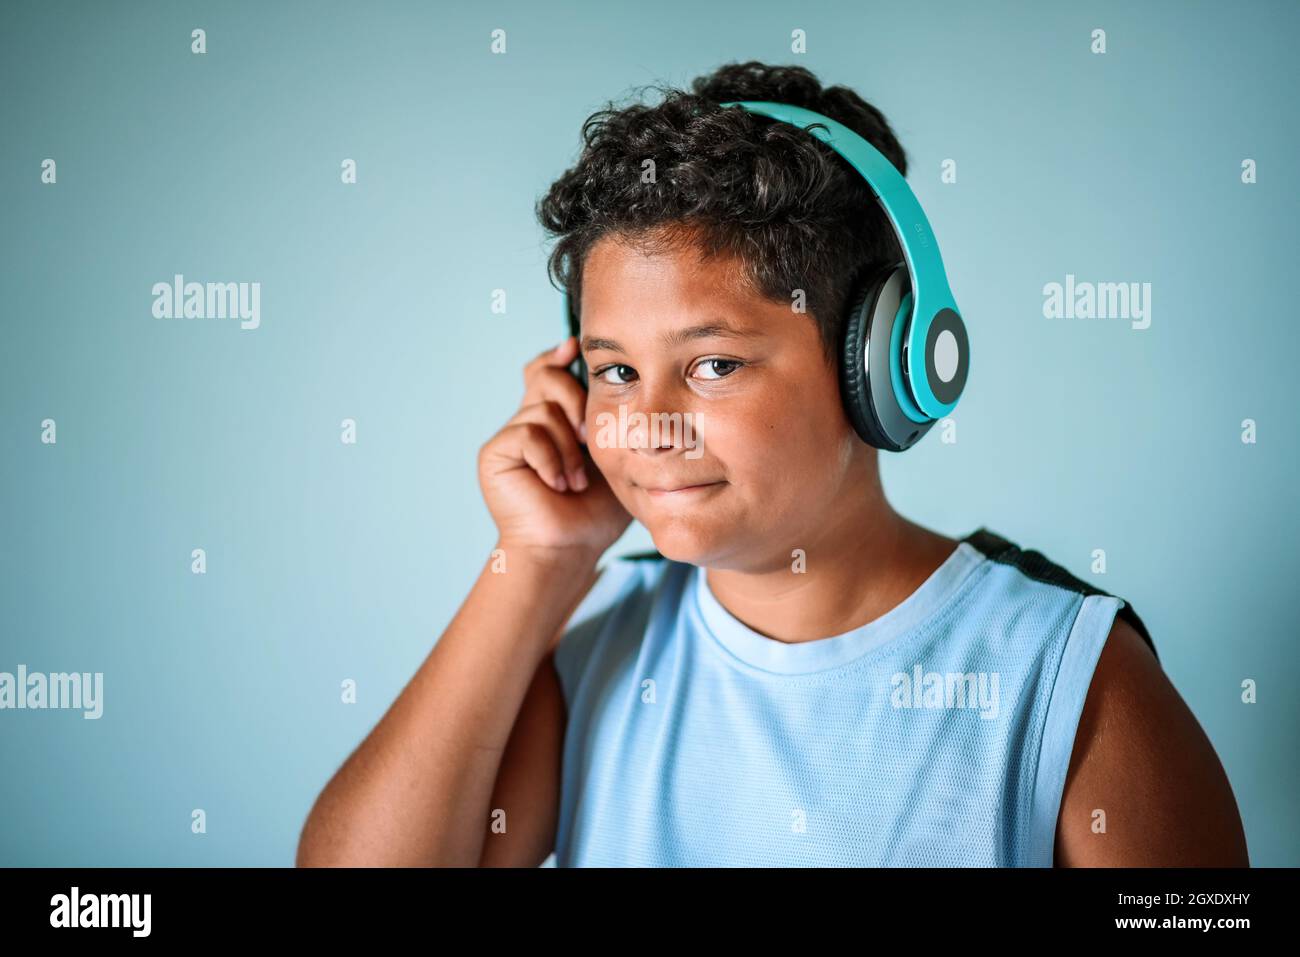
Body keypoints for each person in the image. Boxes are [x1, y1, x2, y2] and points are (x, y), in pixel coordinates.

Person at [295, 61, 1248, 868]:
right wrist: (540, 561)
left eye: (714, 364)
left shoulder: (1071, 681)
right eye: (614, 370)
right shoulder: (594, 665)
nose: (648, 423)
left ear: (883, 361)